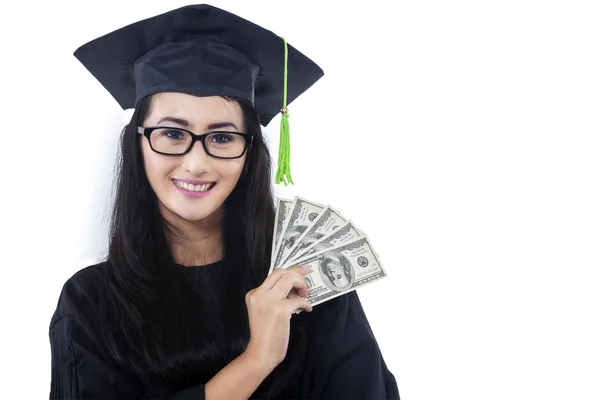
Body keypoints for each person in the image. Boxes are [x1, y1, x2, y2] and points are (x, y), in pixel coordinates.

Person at [48, 4, 400, 399]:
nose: (196, 163)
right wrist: (257, 360)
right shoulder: (89, 303)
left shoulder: (306, 284)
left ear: (250, 153)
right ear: (138, 144)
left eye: (222, 138)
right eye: (172, 134)